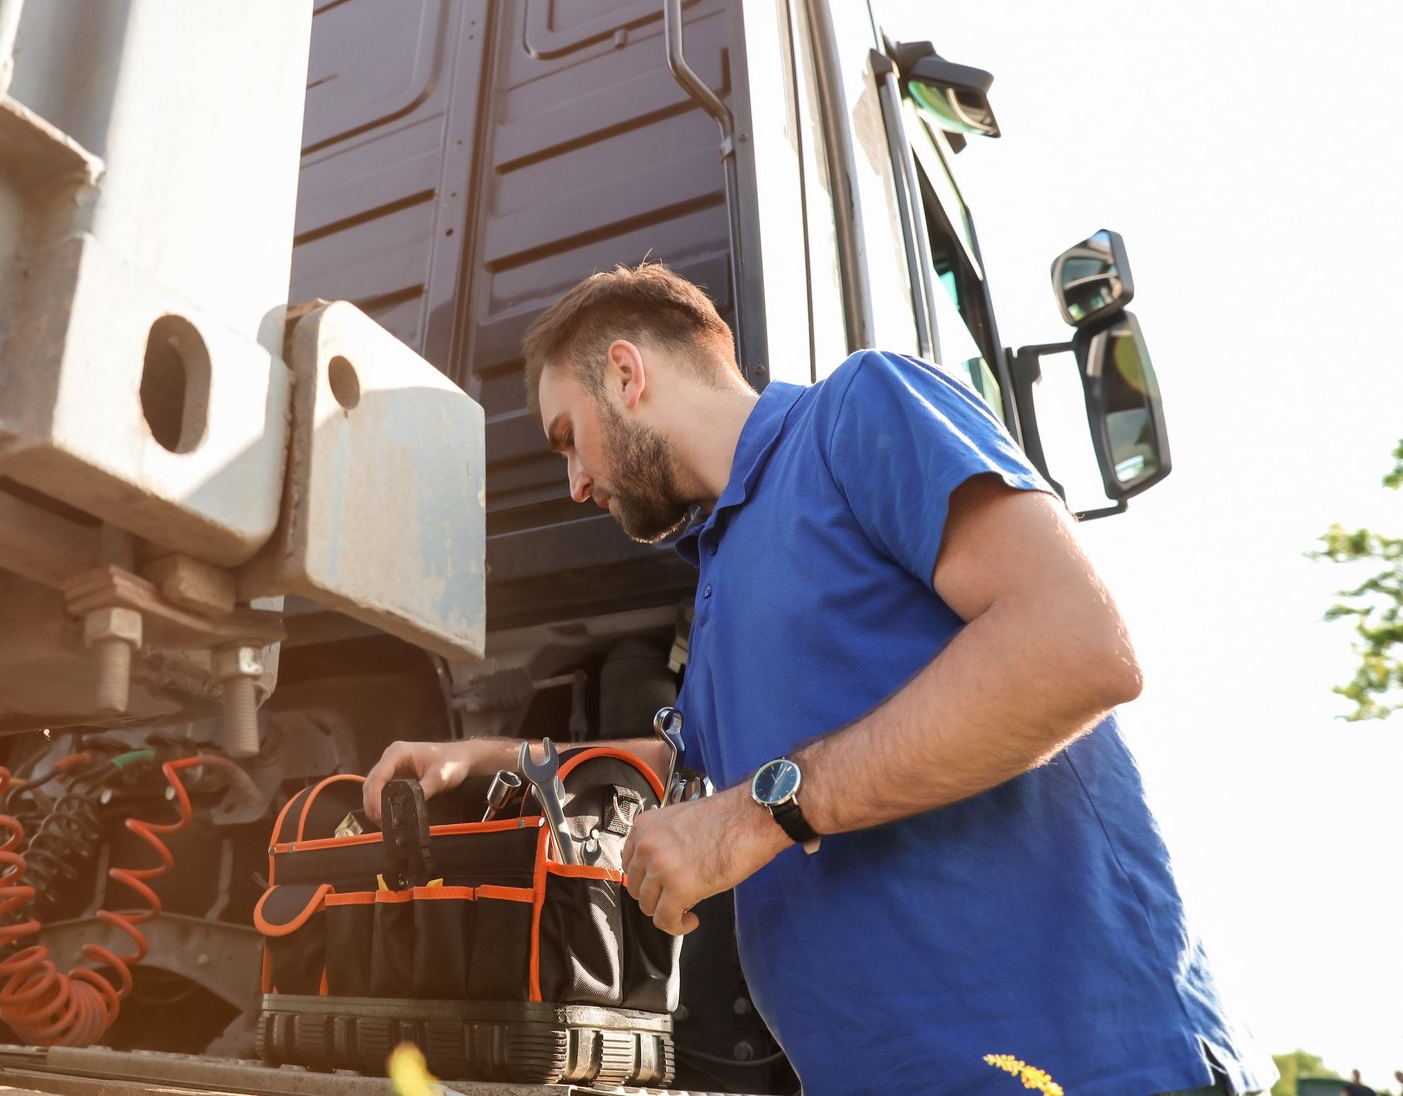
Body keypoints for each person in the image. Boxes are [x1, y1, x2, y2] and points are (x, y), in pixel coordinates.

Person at [363, 262, 1270, 1096]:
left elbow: (1076, 648)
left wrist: (756, 816)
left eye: (569, 437)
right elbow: (693, 773)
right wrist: (479, 758)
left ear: (628, 375)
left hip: (1087, 1065)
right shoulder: (718, 579)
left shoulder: (858, 411)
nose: (572, 482)